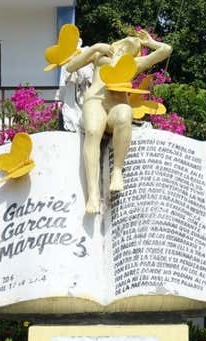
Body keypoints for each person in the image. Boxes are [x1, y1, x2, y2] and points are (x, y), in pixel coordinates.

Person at [65, 30, 172, 214]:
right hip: (95, 101)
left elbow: (166, 50)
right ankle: (92, 194)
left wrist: (150, 42)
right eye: (125, 41)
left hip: (117, 104)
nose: (126, 45)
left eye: (132, 46)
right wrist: (96, 47)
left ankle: (117, 171)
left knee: (125, 114)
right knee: (92, 131)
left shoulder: (134, 64)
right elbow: (70, 67)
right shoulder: (100, 56)